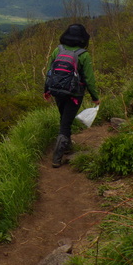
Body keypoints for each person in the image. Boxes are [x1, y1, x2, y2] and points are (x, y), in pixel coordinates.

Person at [44, 24, 100, 168]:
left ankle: (67, 146)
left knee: (64, 118)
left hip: (57, 91)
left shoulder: (58, 49)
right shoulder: (83, 54)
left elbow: (49, 71)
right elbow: (89, 78)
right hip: (75, 93)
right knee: (66, 123)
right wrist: (95, 97)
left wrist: (47, 90)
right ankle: (57, 157)